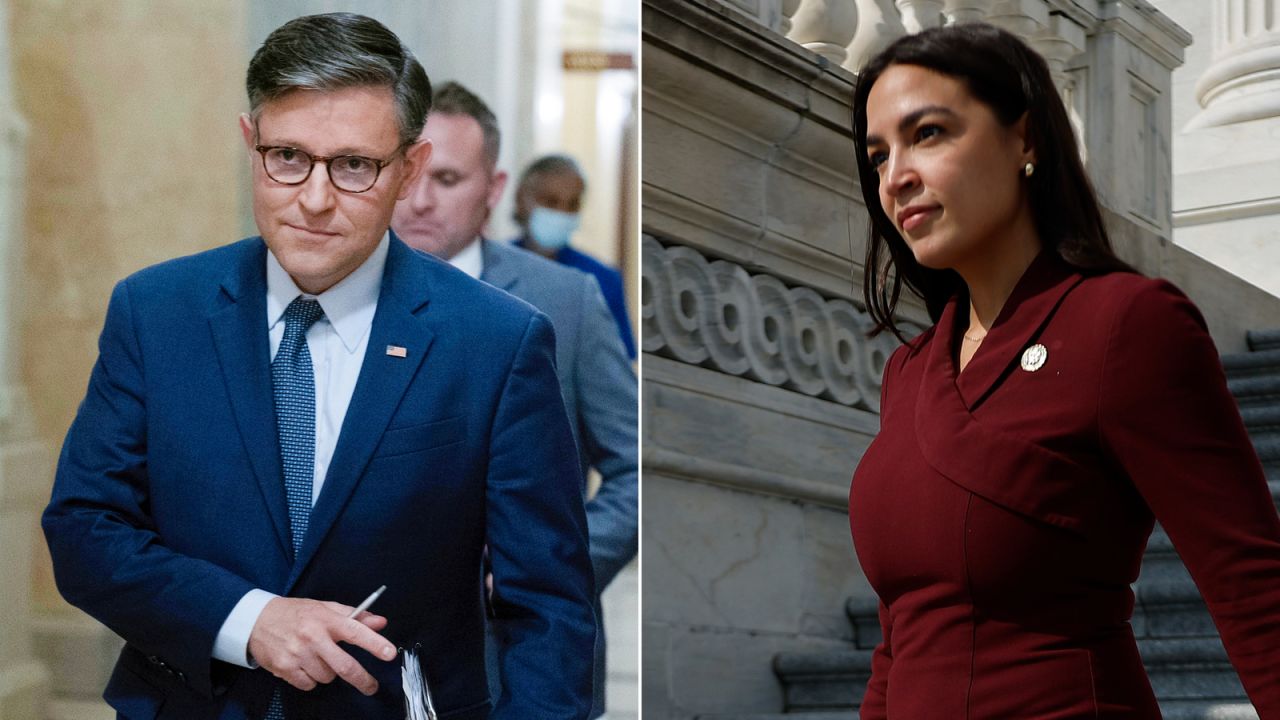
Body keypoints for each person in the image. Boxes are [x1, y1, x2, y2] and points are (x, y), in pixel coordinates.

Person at [42, 13, 595, 720]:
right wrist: (249, 620)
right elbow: (86, 530)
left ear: (409, 171)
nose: (314, 198)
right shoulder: (156, 314)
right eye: (288, 157)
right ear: (251, 143)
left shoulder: (494, 342)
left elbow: (548, 606)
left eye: (354, 165)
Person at [848, 23, 1280, 718]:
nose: (896, 176)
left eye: (927, 134)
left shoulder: (1126, 325)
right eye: (878, 155)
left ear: (1027, 139)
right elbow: (901, 638)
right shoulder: (910, 370)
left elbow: (1254, 589)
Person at [390, 80, 638, 719]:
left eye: (446, 178)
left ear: (494, 191)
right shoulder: (339, 294)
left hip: (523, 656)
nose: (419, 200)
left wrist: (557, 560)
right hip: (369, 662)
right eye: (407, 172)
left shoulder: (567, 301)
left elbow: (638, 466)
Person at [512, 154, 637, 359]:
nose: (562, 213)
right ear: (521, 199)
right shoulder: (490, 266)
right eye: (551, 202)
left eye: (572, 204)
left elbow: (619, 365)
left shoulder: (602, 280)